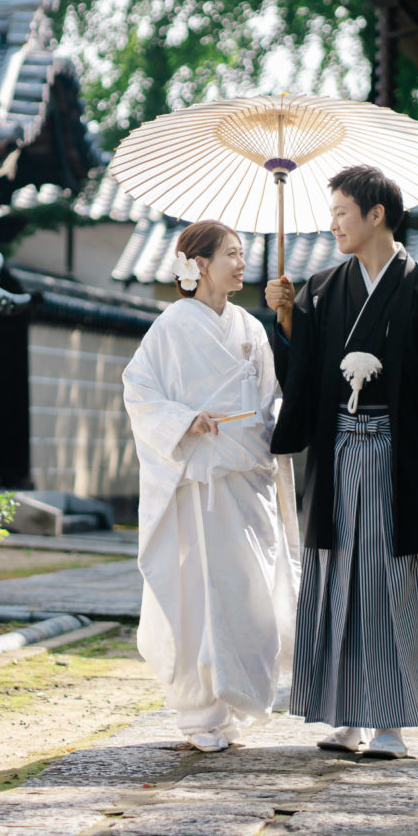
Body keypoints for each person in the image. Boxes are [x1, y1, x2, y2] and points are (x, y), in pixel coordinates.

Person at [265, 165, 418, 758]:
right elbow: (301, 375)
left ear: (376, 214)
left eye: (342, 214)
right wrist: (288, 319)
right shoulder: (321, 289)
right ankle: (343, 715)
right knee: (337, 574)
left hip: (401, 457)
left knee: (391, 579)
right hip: (338, 450)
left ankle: (392, 724)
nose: (333, 225)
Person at [123, 220, 302, 752]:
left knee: (252, 596)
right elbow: (139, 390)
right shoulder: (172, 325)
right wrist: (183, 420)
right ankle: (201, 713)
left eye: (243, 253)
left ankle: (235, 702)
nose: (242, 263)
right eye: (232, 253)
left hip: (247, 480)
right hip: (199, 483)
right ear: (199, 264)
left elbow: (271, 397)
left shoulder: (250, 325)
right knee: (201, 595)